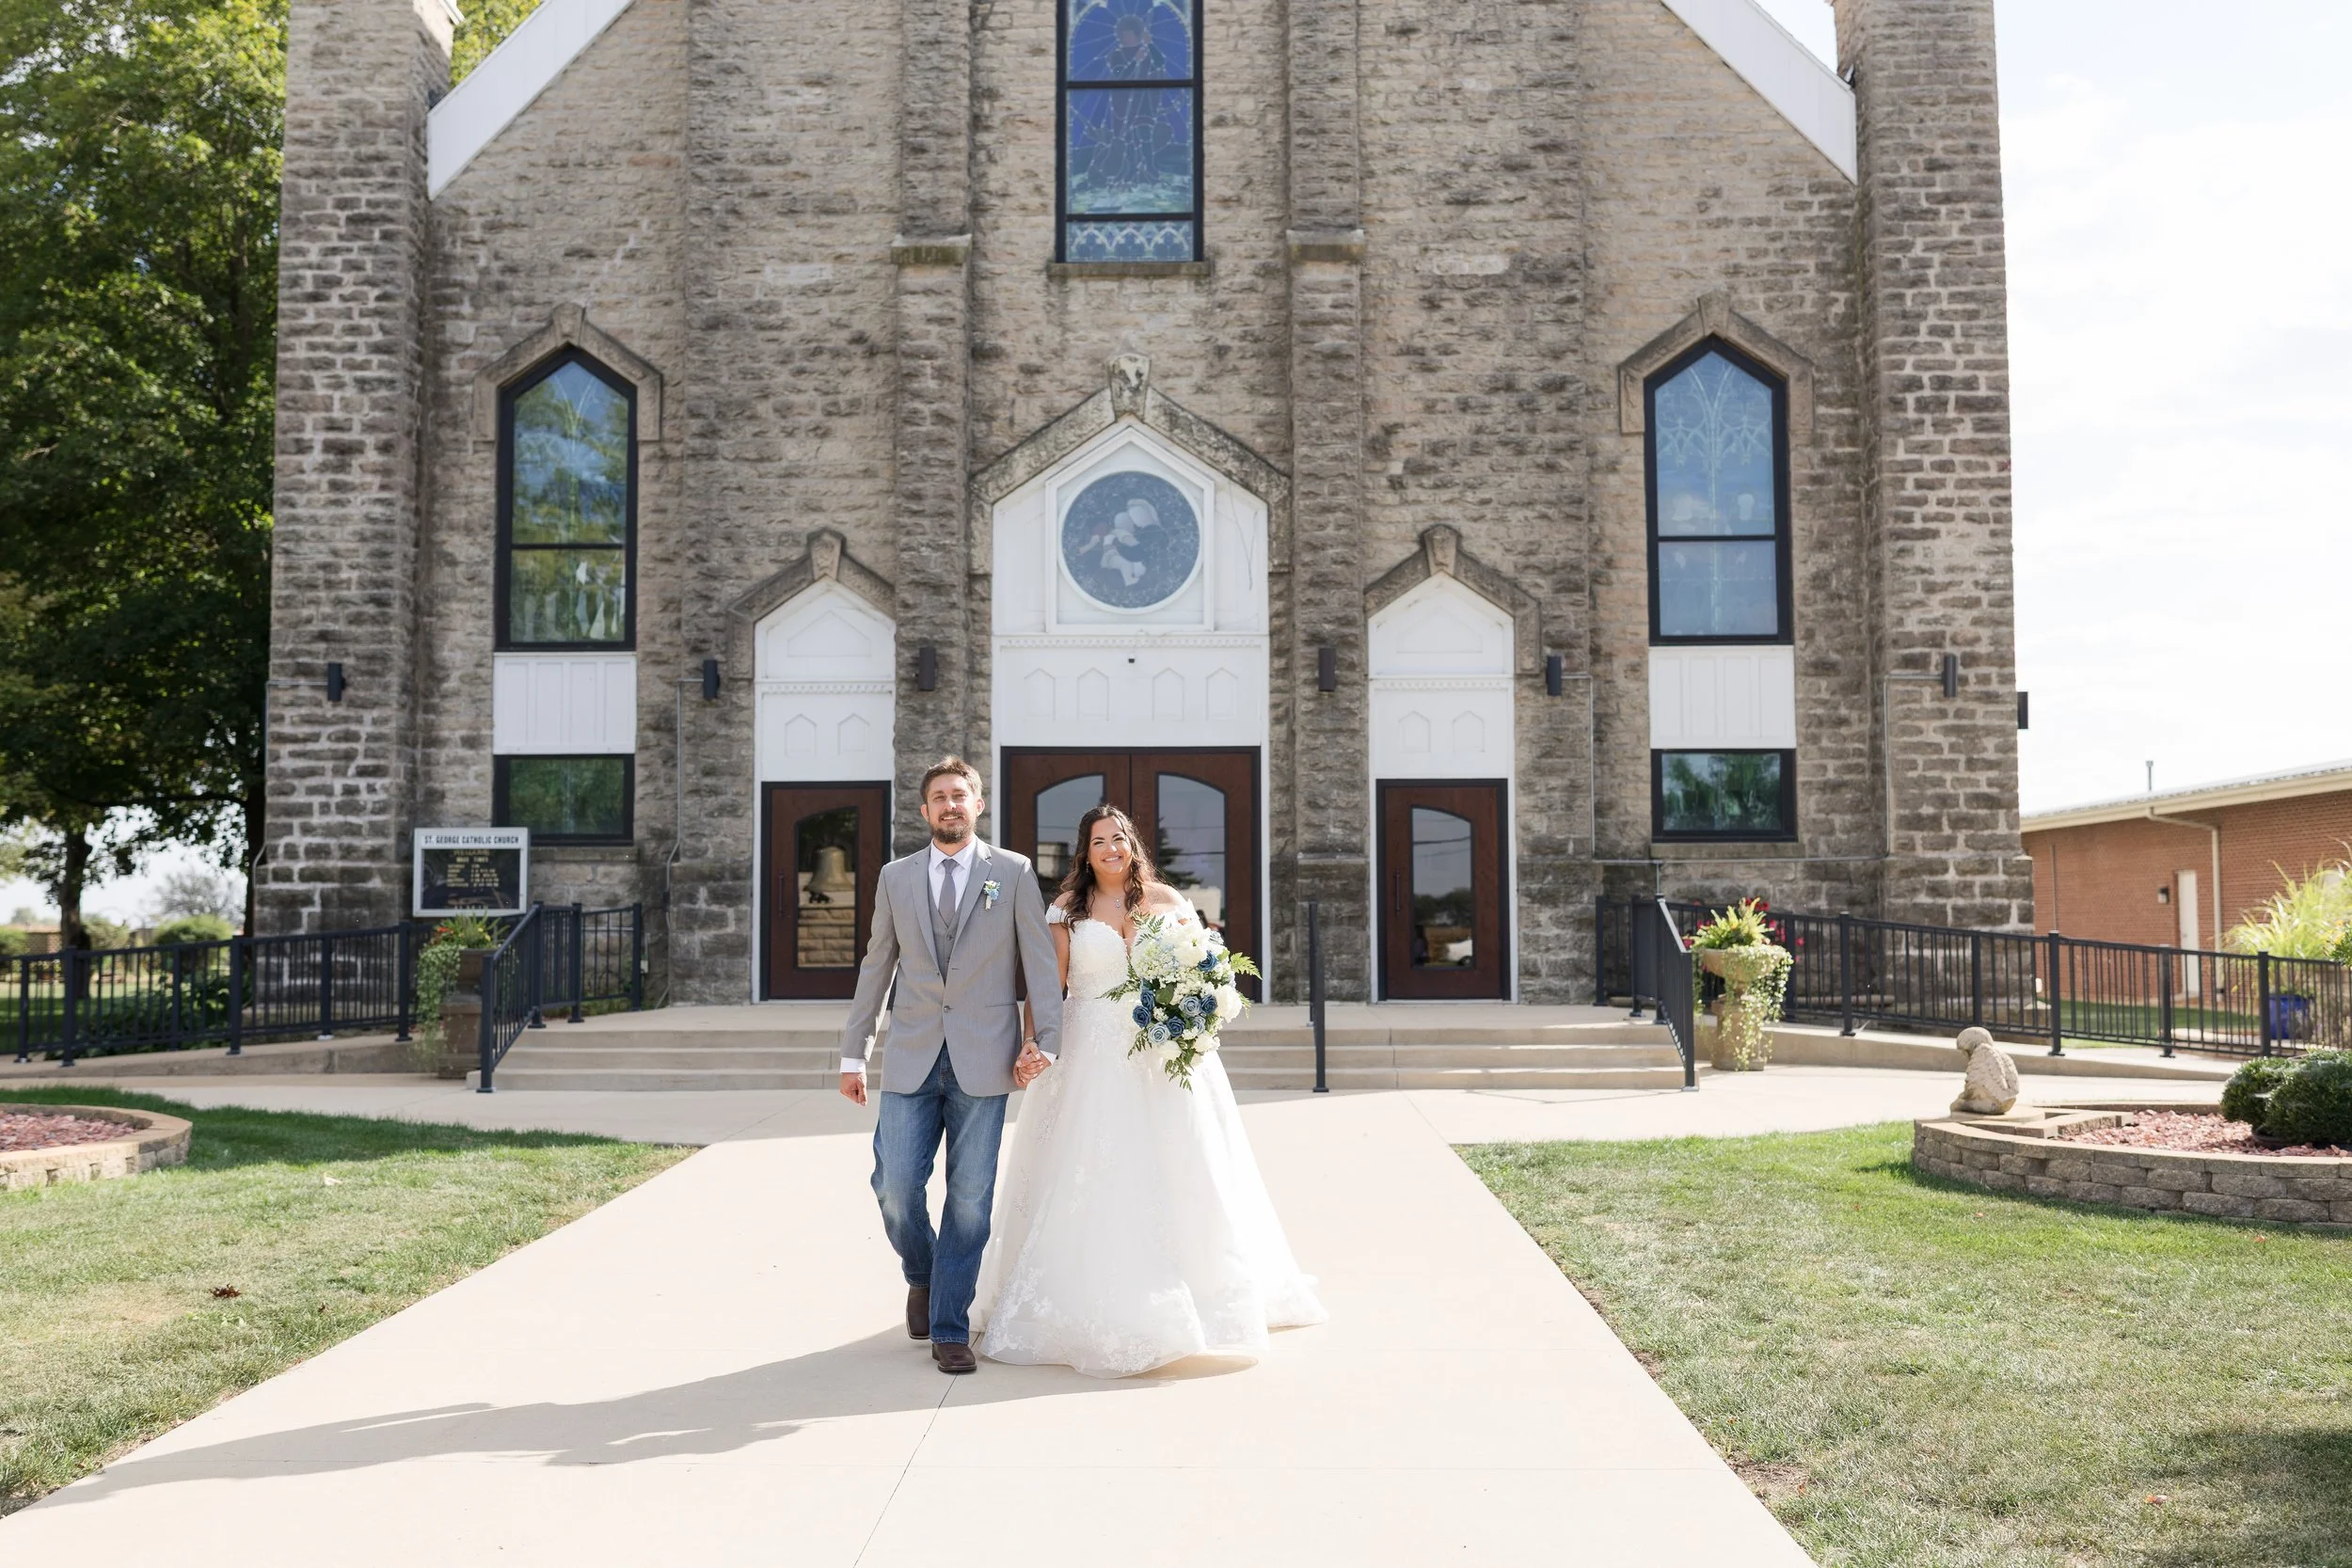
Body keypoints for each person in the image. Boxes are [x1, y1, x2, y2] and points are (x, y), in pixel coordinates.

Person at [970, 804, 1326, 1377]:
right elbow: (1048, 987)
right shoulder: (1066, 909)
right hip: (1090, 1054)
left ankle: (1201, 1298)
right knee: (1094, 1169)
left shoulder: (1166, 901)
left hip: (1164, 1057)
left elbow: (1202, 969)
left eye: (1119, 838)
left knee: (1184, 1168)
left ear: (1132, 845)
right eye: (1098, 841)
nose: (1111, 848)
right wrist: (1035, 1043)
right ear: (1084, 853)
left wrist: (1197, 1011)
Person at [838, 758, 1063, 1374]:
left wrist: (1047, 1039)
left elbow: (1039, 962)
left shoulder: (1012, 872)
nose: (950, 805)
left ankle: (949, 1325)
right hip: (910, 1055)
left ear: (978, 804)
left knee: (968, 1200)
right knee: (894, 1188)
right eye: (939, 797)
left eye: (959, 795)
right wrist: (853, 1051)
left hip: (984, 1058)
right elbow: (876, 966)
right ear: (924, 810)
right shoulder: (895, 877)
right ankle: (923, 1273)